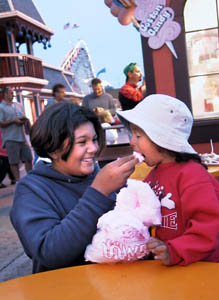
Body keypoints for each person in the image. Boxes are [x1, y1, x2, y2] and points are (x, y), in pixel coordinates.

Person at [10, 102, 138, 273]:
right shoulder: (32, 190)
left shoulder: (99, 176)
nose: (93, 148)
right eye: (82, 142)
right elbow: (48, 252)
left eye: (94, 139)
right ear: (53, 149)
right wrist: (99, 192)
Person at [117, 94, 219, 266]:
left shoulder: (192, 175)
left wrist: (174, 250)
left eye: (138, 135)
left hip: (200, 267)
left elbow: (208, 227)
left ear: (161, 139)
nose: (132, 142)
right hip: (166, 267)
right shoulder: (153, 175)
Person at [0, 87, 32, 182]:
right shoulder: (1, 107)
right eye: (11, 93)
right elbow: (0, 123)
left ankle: (30, 178)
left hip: (22, 137)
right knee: (14, 162)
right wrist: (13, 121)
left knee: (28, 158)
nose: (13, 94)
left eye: (13, 92)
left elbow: (24, 117)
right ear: (5, 94)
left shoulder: (18, 105)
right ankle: (18, 181)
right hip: (10, 138)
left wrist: (25, 120)